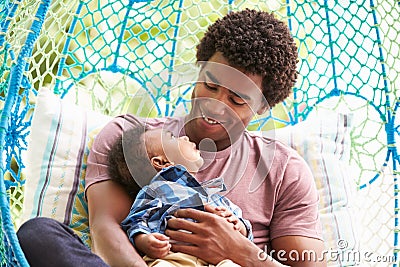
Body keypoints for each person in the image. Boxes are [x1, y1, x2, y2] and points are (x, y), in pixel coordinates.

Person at [17, 8, 326, 267]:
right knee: (38, 234)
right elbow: (106, 228)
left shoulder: (285, 171)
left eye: (236, 100)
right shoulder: (131, 138)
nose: (215, 105)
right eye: (210, 84)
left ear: (262, 107)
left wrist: (238, 250)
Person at [108, 125, 252, 266]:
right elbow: (136, 220)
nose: (184, 137)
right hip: (174, 257)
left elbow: (245, 237)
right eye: (172, 137)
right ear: (161, 162)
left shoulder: (214, 195)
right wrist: (145, 241)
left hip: (220, 259)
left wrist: (237, 225)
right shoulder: (157, 189)